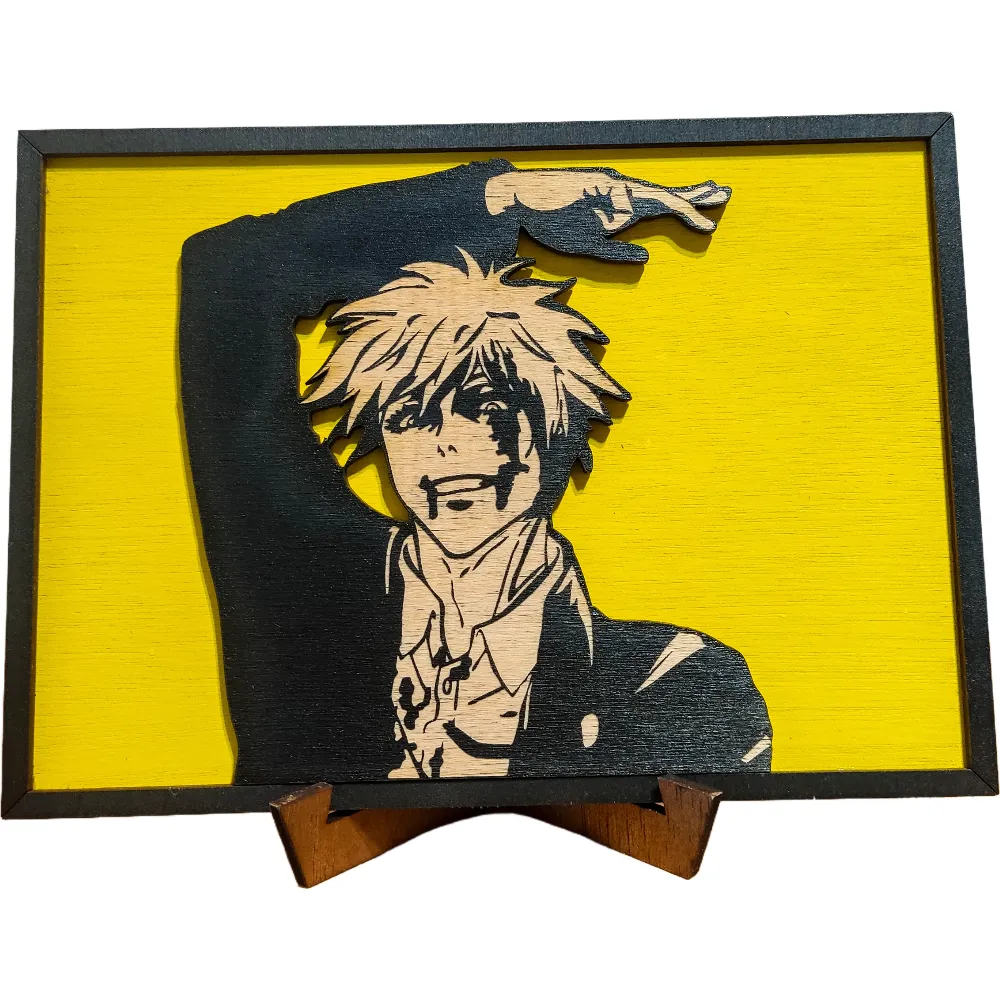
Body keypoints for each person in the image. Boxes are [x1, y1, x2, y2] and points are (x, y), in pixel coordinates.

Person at [179, 159, 772, 784]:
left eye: (486, 407)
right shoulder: (299, 583)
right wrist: (498, 199)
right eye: (409, 415)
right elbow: (231, 272)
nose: (446, 446)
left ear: (552, 422)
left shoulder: (673, 681)